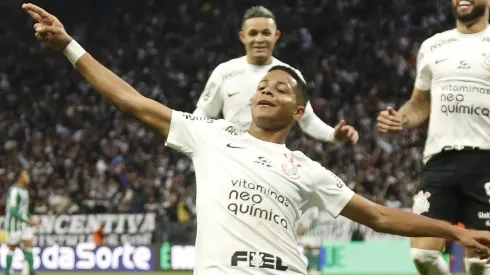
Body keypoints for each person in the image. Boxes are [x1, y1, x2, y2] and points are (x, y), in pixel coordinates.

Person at [24, 3, 490, 274]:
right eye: (262, 87)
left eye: (281, 88)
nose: (267, 89)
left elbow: (380, 216)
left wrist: (452, 230)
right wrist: (69, 45)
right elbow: (130, 100)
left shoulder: (305, 168)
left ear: (299, 110)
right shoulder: (209, 135)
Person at [377, 0, 490, 273]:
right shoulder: (433, 45)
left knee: (478, 263)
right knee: (422, 256)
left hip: (485, 160)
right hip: (440, 161)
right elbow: (419, 104)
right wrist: (399, 119)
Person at [194, 6, 359, 144]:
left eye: (266, 33)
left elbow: (307, 120)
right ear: (242, 37)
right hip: (233, 162)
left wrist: (333, 135)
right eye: (253, 33)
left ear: (276, 36)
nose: (259, 39)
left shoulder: (290, 75)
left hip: (272, 164)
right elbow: (203, 112)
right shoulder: (224, 72)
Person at [4, 169, 40, 275]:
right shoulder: (14, 190)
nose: (28, 177)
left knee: (29, 245)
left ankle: (31, 271)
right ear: (20, 177)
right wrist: (27, 220)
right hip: (13, 225)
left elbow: (25, 209)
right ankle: (8, 272)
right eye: (26, 175)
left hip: (24, 225)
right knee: (12, 248)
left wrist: (31, 219)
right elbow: (12, 210)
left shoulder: (25, 191)